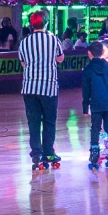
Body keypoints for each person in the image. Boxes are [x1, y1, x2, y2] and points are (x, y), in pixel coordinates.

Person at [19, 10, 65, 169]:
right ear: (46, 23)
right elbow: (60, 59)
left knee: (33, 121)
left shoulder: (24, 42)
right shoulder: (53, 40)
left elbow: (23, 64)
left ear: (31, 25)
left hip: (29, 87)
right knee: (49, 121)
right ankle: (49, 152)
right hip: (48, 87)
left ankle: (36, 153)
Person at [82, 41, 108, 170]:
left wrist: (85, 107)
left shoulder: (88, 69)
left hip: (96, 102)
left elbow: (86, 90)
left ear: (89, 53)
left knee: (95, 128)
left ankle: (94, 154)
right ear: (102, 52)